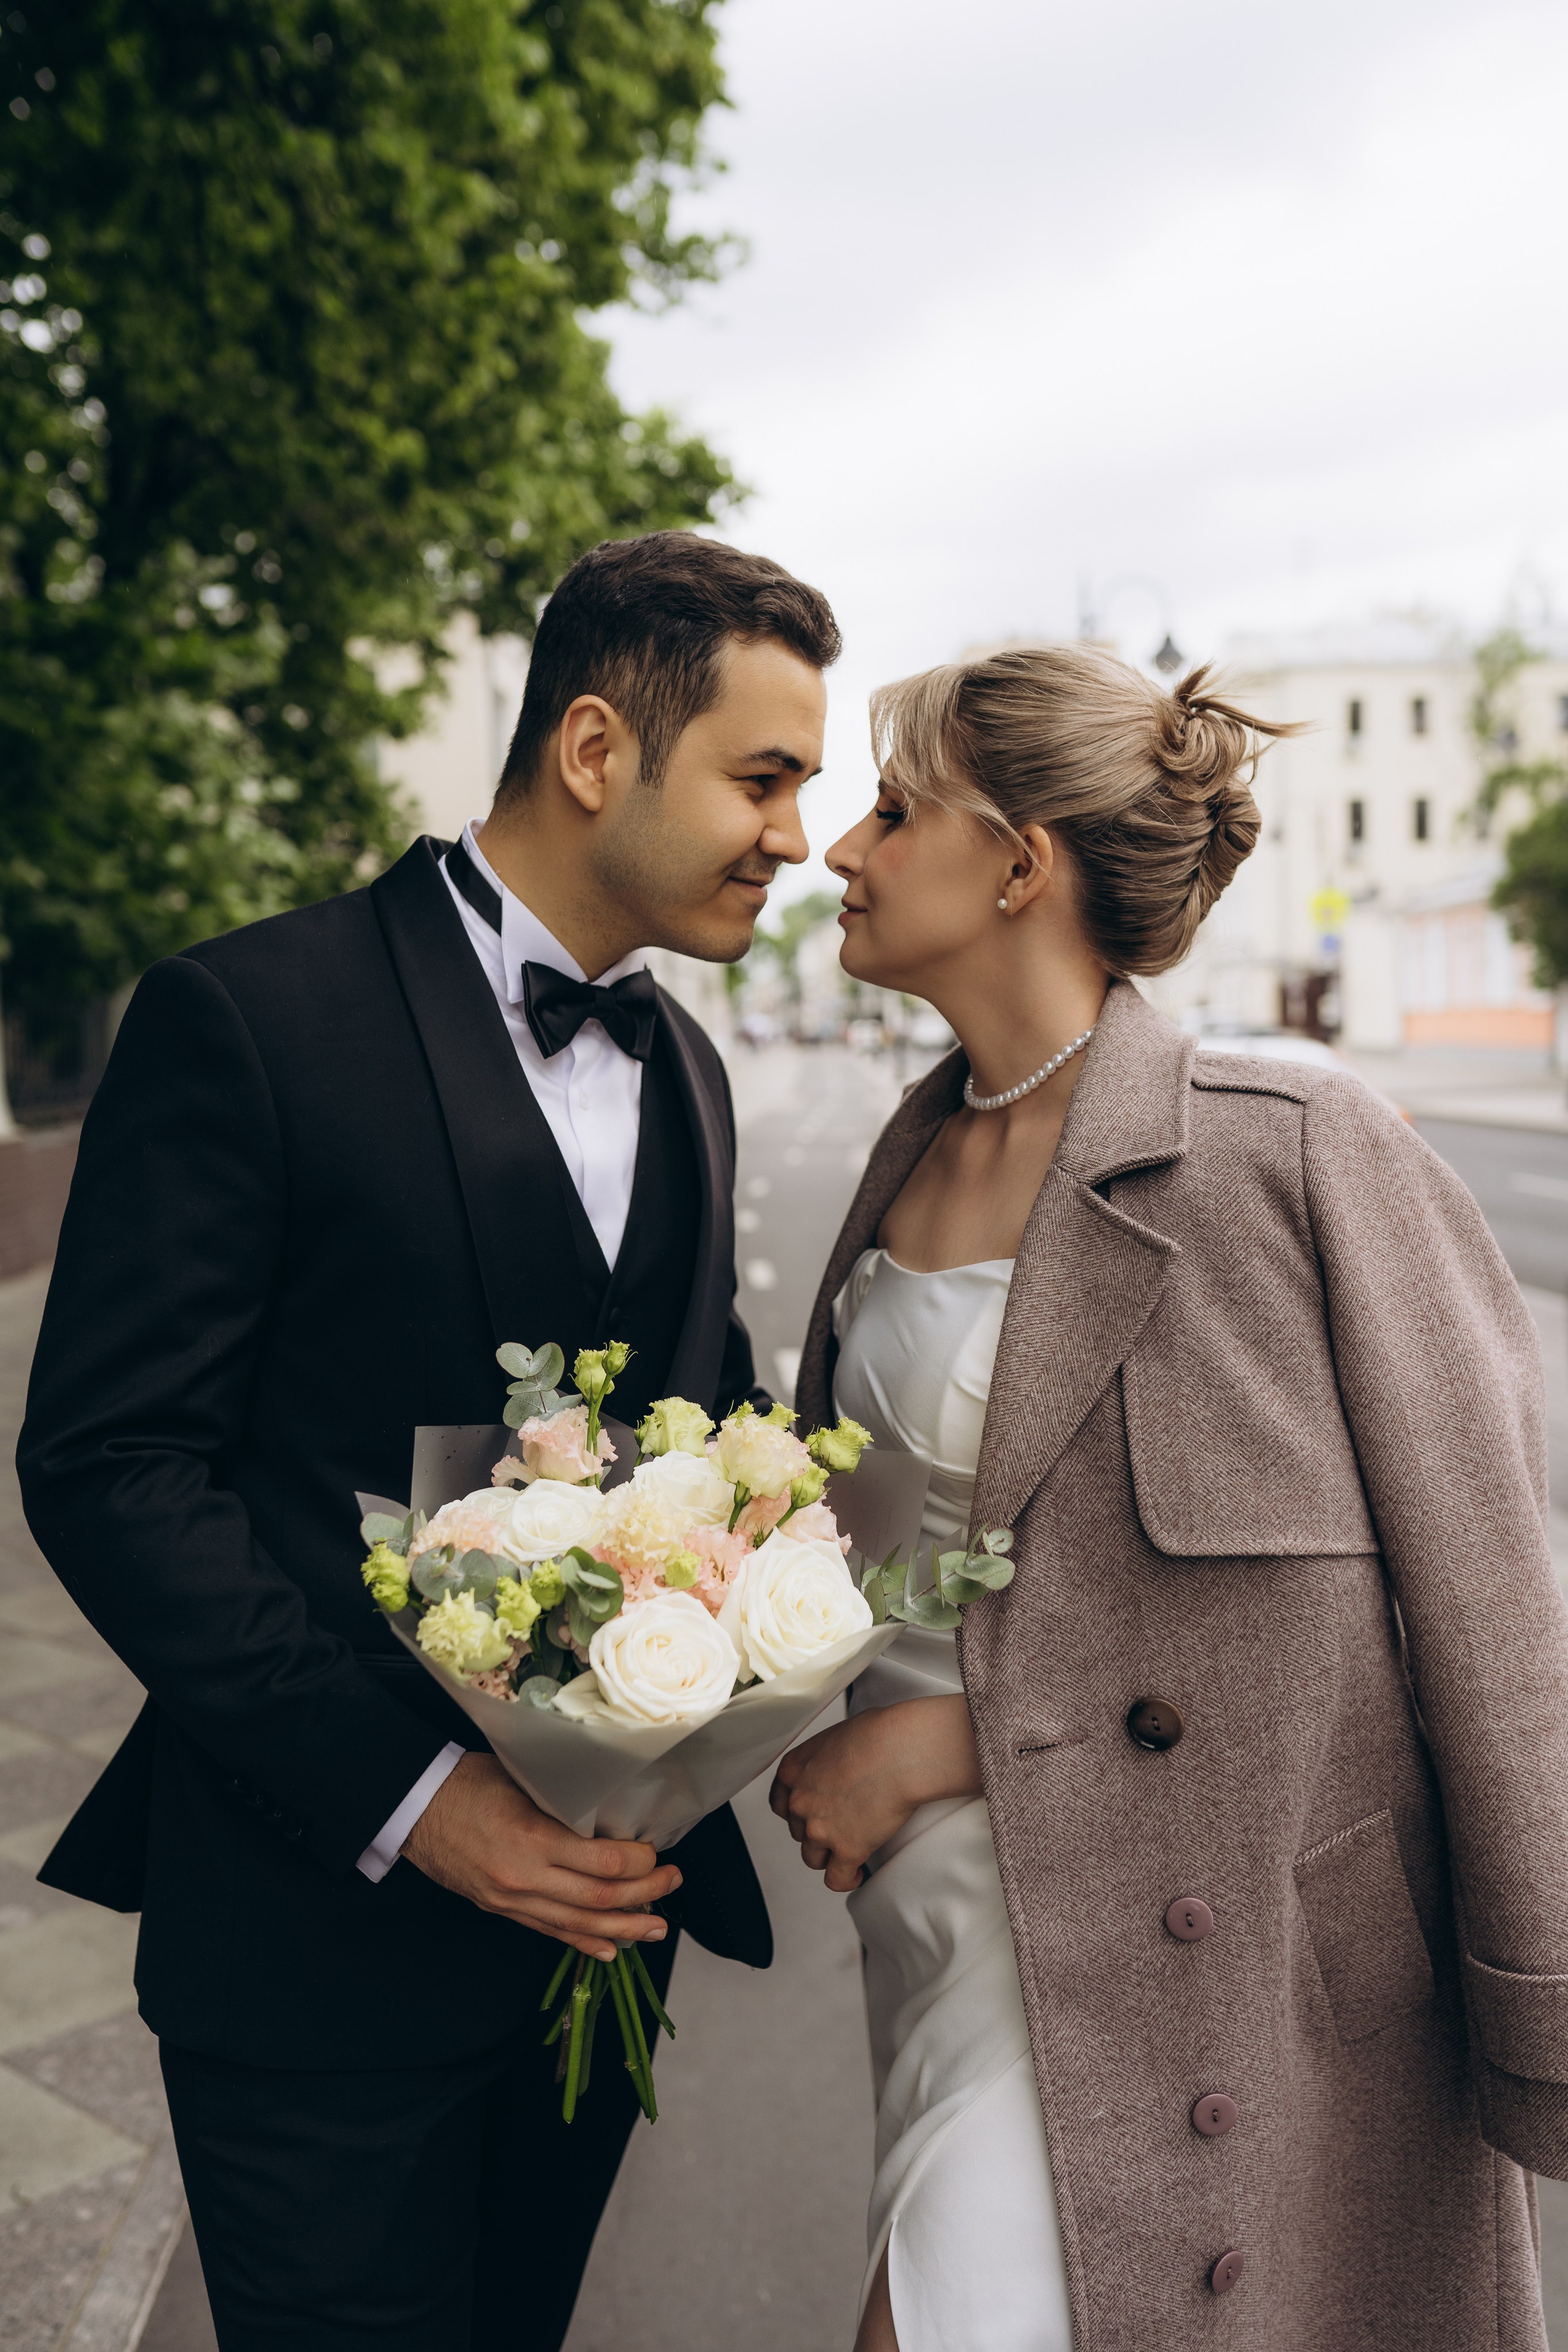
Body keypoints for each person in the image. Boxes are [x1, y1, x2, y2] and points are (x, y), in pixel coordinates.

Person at [18, 530, 840, 2351]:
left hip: (590, 1963)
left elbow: (709, 1434)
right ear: (601, 749)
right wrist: (421, 1807)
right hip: (313, 1963)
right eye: (766, 777)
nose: (795, 833)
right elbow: (107, 1462)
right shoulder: (246, 1018)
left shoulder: (688, 1063)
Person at [774, 643, 1568, 2352]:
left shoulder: (1288, 1148)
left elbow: (1470, 1609)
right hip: (931, 1927)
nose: (841, 849)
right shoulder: (908, 1153)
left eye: (894, 809)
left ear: (1018, 863)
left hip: (1181, 1937)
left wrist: (954, 1740)